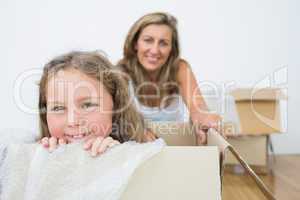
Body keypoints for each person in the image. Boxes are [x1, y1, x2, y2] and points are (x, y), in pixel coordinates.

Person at [118, 12, 223, 144]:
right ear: (135, 44)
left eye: (163, 43)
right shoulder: (121, 73)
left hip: (174, 146)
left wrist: (204, 117)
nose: (155, 50)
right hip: (137, 150)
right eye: (148, 40)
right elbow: (117, 118)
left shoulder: (180, 68)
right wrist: (138, 128)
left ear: (171, 49)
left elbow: (197, 106)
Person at [38, 51, 157, 156]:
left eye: (87, 105)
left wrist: (119, 156)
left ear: (116, 106)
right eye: (58, 108)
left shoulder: (144, 149)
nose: (72, 121)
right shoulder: (38, 153)